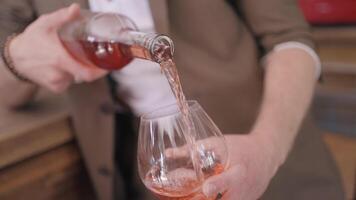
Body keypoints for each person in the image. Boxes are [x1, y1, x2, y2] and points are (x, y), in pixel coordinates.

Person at [0, 0, 344, 200]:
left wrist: (267, 148)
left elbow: (291, 41)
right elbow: (6, 65)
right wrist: (15, 55)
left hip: (266, 155)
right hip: (139, 164)